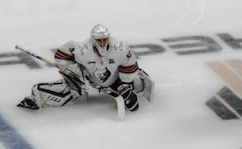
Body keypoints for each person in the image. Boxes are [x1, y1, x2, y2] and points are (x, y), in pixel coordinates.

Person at [18, 24, 154, 112]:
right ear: (93, 39)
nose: (102, 43)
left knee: (139, 87)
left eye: (105, 39)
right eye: (99, 40)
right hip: (88, 78)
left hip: (116, 80)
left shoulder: (120, 48)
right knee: (72, 93)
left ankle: (131, 84)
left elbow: (129, 65)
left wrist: (125, 84)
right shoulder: (82, 49)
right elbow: (61, 55)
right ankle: (37, 97)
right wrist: (72, 70)